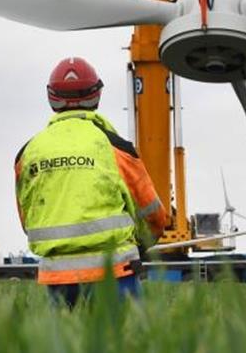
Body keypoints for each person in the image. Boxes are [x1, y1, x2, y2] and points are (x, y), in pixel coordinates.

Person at [14, 57, 168, 308]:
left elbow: (26, 218)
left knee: (64, 346)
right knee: (125, 343)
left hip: (57, 279)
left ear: (52, 97)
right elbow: (153, 215)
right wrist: (141, 246)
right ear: (96, 95)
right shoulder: (115, 148)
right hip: (116, 273)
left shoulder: (28, 153)